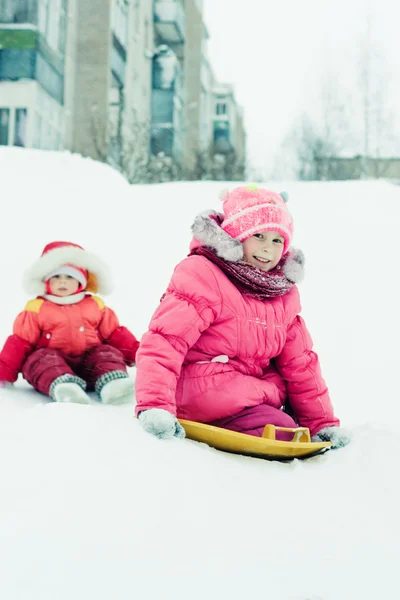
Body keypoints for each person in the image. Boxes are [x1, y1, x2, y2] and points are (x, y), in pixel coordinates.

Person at [135, 185, 350, 449]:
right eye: (258, 235)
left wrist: (321, 424)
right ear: (237, 236)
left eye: (277, 240)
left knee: (280, 391)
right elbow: (166, 341)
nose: (268, 249)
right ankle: (262, 424)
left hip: (252, 392)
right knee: (278, 426)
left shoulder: (281, 292)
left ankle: (273, 421)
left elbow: (300, 363)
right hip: (197, 389)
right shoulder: (204, 275)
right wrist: (155, 406)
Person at [0, 241, 139, 404]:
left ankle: (113, 384)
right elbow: (20, 342)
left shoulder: (95, 305)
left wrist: (138, 354)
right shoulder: (37, 309)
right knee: (40, 359)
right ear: (46, 281)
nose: (62, 282)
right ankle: (65, 388)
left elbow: (116, 334)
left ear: (82, 282)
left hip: (90, 365)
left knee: (105, 352)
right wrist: (5, 372)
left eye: (70, 277)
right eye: (56, 276)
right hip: (53, 364)